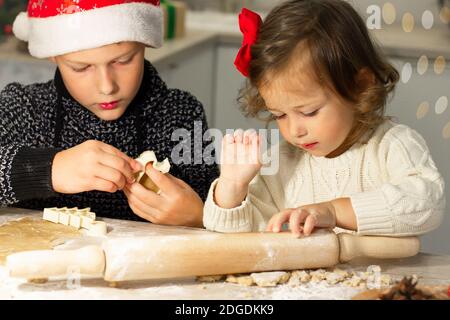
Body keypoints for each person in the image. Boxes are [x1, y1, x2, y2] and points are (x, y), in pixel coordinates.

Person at [203, 0, 445, 237]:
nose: (295, 130)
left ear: (359, 85)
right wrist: (232, 190)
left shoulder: (392, 145)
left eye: (309, 112)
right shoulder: (281, 163)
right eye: (280, 115)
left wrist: (333, 211)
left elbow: (428, 203)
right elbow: (235, 237)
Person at [0, 0, 219, 227]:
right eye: (81, 68)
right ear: (53, 56)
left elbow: (220, 208)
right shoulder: (26, 108)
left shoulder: (181, 112)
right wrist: (47, 169)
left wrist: (198, 216)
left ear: (144, 43)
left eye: (123, 60)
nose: (107, 87)